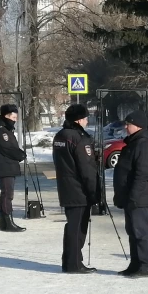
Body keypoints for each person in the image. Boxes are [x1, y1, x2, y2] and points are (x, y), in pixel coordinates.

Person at [52, 104, 100, 274]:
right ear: (79, 120)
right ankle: (74, 263)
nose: (87, 121)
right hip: (79, 189)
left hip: (66, 186)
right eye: (86, 118)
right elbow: (86, 168)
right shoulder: (79, 138)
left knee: (72, 224)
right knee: (77, 227)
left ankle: (69, 261)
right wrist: (94, 192)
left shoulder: (60, 135)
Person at [113, 110, 148, 278]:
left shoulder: (144, 143)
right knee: (132, 230)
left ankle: (146, 265)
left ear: (137, 125)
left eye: (128, 124)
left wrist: (133, 195)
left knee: (141, 230)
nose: (126, 126)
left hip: (139, 195)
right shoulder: (134, 141)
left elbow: (143, 173)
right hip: (130, 194)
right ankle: (135, 263)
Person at [0, 104, 26, 232]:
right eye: (14, 117)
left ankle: (4, 222)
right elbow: (7, 148)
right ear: (6, 116)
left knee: (7, 193)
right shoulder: (1, 130)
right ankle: (7, 222)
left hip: (7, 165)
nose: (15, 119)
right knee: (7, 194)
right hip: (4, 165)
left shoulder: (5, 129)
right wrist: (21, 155)